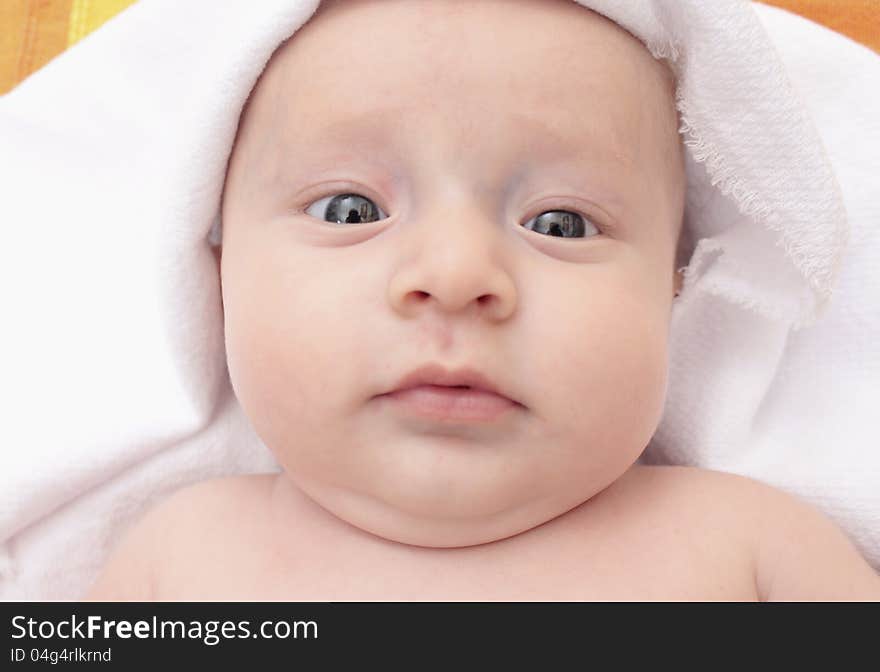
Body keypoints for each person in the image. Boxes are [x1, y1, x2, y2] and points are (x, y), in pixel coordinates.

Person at [85, 0, 880, 600]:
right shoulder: (180, 566)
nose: (459, 273)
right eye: (349, 212)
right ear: (217, 271)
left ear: (673, 290)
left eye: (562, 223)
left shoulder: (751, 551)